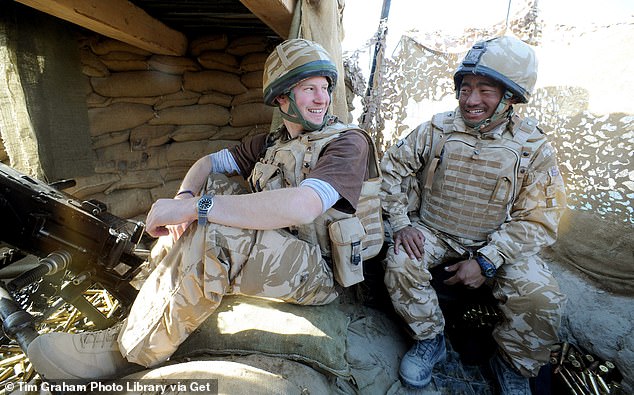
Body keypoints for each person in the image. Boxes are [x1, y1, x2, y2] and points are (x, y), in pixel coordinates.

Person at [26, 38, 382, 380]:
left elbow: (304, 206)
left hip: (317, 272)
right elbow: (207, 164)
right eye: (310, 89)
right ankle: (149, 307)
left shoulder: (348, 142)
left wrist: (198, 207)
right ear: (283, 97)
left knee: (216, 228)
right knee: (211, 196)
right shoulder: (273, 142)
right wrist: (184, 199)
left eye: (325, 87)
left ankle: (128, 353)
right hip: (282, 249)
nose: (323, 98)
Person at [379, 36, 567, 394]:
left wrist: (487, 261)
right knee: (400, 262)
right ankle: (429, 340)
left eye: (485, 90)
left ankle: (512, 363)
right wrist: (401, 224)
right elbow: (391, 169)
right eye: (466, 89)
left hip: (498, 244)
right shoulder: (437, 129)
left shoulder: (533, 147)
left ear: (510, 97)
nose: (471, 100)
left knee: (541, 296)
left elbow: (540, 217)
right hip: (435, 232)